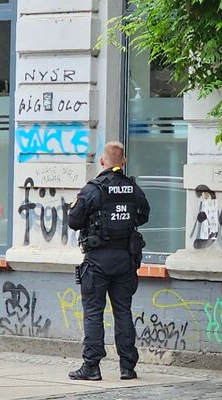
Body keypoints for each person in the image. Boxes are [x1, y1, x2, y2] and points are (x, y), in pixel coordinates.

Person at [67, 141, 150, 381]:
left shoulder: (92, 189)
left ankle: (91, 366)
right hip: (124, 259)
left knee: (93, 312)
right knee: (123, 311)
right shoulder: (133, 188)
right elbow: (143, 215)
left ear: (102, 161)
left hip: (97, 259)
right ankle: (127, 367)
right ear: (123, 161)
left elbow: (74, 221)